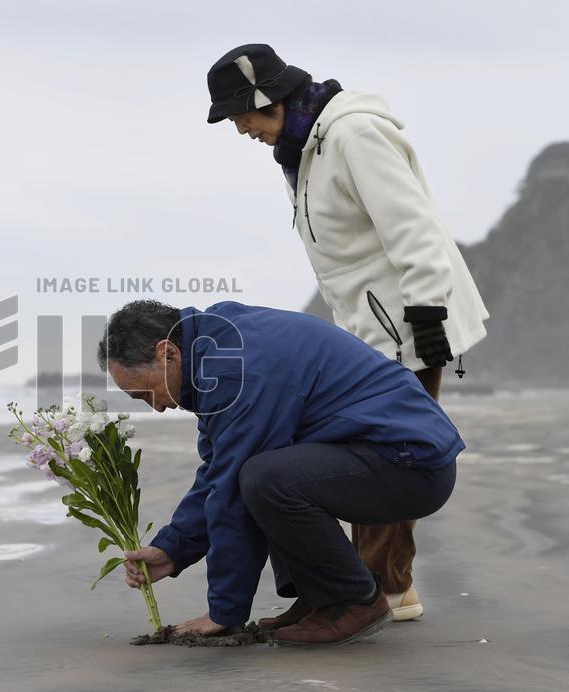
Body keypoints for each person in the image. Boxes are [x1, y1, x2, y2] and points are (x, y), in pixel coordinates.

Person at [203, 43, 489, 622]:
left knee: (387, 458)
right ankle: (389, 587)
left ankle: (379, 591)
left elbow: (415, 226)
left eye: (241, 115)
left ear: (270, 98)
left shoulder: (353, 134)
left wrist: (428, 313)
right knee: (366, 457)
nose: (240, 129)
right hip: (367, 328)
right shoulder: (303, 151)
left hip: (408, 321)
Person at [98, 299, 462, 645]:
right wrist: (172, 549)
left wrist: (224, 612)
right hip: (382, 452)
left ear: (168, 352)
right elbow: (217, 472)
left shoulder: (234, 369)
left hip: (412, 464)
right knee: (258, 470)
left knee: (262, 478)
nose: (158, 407)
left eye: (147, 394)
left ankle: (353, 601)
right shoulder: (217, 352)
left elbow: (232, 491)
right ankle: (321, 598)